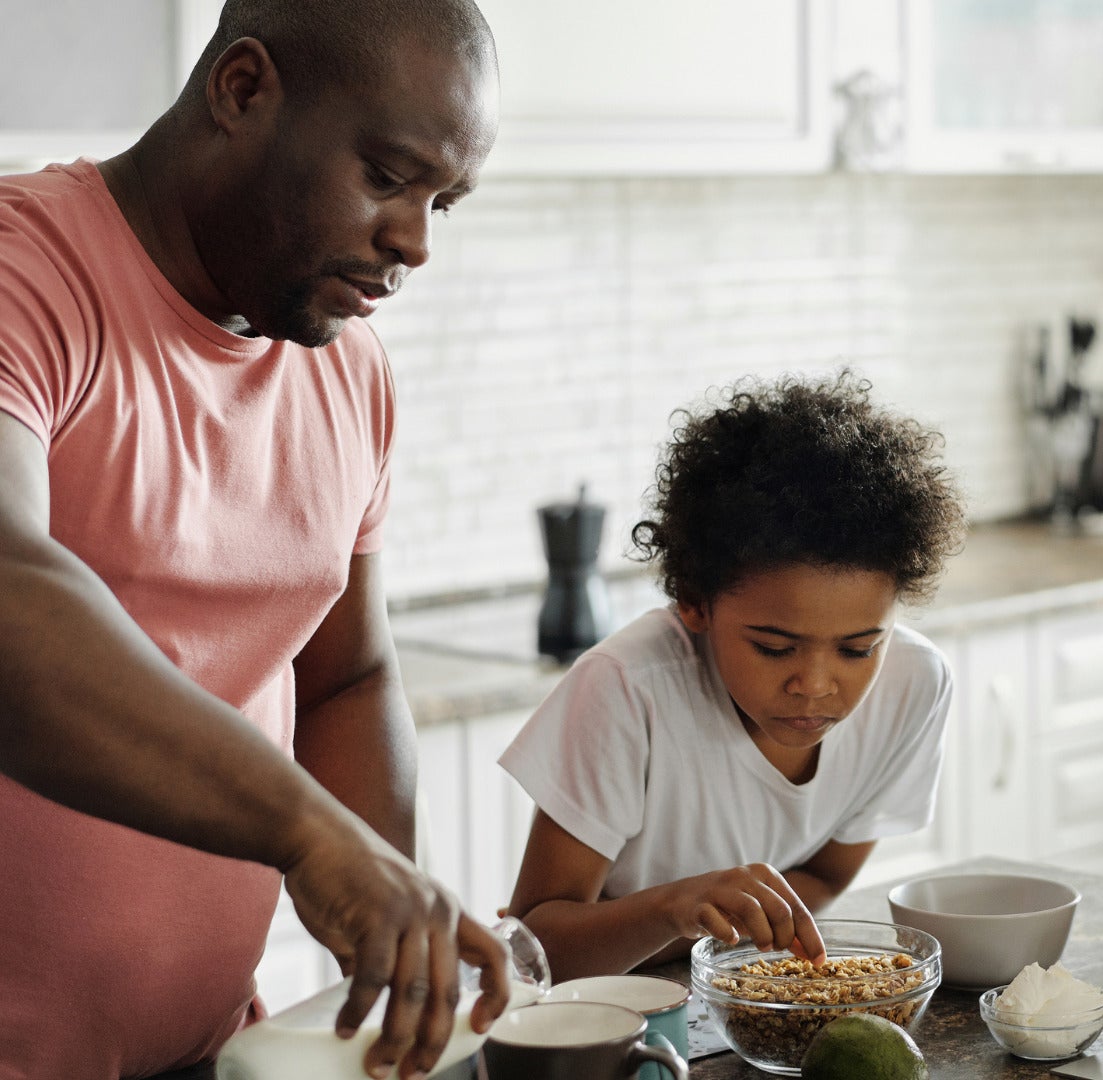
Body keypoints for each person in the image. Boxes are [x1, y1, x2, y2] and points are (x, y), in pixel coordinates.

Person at [0, 2, 511, 1077]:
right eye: (387, 175)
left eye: (442, 203)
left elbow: (347, 679)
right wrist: (311, 837)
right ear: (242, 89)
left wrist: (392, 927)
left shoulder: (345, 364)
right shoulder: (27, 274)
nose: (414, 240)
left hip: (210, 1053)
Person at [501, 372, 966, 982]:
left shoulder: (915, 684)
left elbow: (824, 877)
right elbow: (532, 948)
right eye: (775, 647)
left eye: (857, 649)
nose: (817, 684)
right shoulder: (627, 689)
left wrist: (692, 928)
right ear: (695, 602)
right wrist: (677, 907)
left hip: (713, 987)